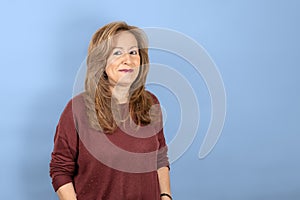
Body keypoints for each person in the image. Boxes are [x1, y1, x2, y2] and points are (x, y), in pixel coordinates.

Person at [49, 21, 172, 200]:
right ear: (101, 60)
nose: (127, 59)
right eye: (117, 52)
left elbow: (160, 157)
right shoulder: (77, 109)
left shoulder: (150, 102)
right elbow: (60, 169)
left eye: (133, 52)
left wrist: (165, 195)